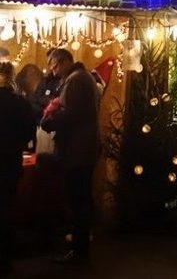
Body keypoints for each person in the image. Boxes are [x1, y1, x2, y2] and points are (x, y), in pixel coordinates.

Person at [40, 48, 100, 264]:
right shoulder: (82, 78)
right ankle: (80, 247)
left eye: (54, 65)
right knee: (81, 200)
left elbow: (72, 113)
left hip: (77, 150)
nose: (53, 71)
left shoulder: (75, 80)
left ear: (65, 61)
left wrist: (50, 122)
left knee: (78, 201)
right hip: (83, 148)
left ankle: (79, 250)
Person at [0, 61, 35, 277]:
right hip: (9, 164)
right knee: (5, 210)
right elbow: (29, 134)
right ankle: (4, 259)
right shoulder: (21, 104)